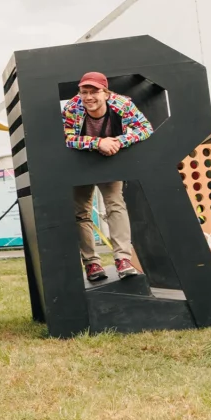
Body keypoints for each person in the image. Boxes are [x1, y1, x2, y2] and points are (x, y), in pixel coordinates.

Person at [63, 71, 154, 281]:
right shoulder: (72, 107)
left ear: (105, 93)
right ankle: (92, 264)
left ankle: (123, 260)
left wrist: (119, 141)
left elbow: (145, 128)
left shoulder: (122, 105)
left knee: (115, 204)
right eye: (84, 92)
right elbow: (66, 137)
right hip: (81, 160)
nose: (88, 97)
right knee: (80, 212)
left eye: (94, 92)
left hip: (110, 160)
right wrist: (97, 143)